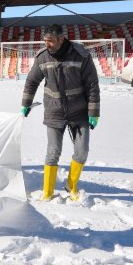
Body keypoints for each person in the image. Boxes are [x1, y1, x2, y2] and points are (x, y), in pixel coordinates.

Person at [20, 24, 100, 201]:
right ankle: (47, 191)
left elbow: (92, 84)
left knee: (82, 150)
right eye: (45, 41)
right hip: (54, 111)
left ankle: (71, 186)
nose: (47, 44)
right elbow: (32, 81)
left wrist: (93, 112)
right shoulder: (43, 57)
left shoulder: (81, 55)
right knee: (53, 150)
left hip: (79, 111)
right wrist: (25, 103)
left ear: (61, 39)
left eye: (50, 41)